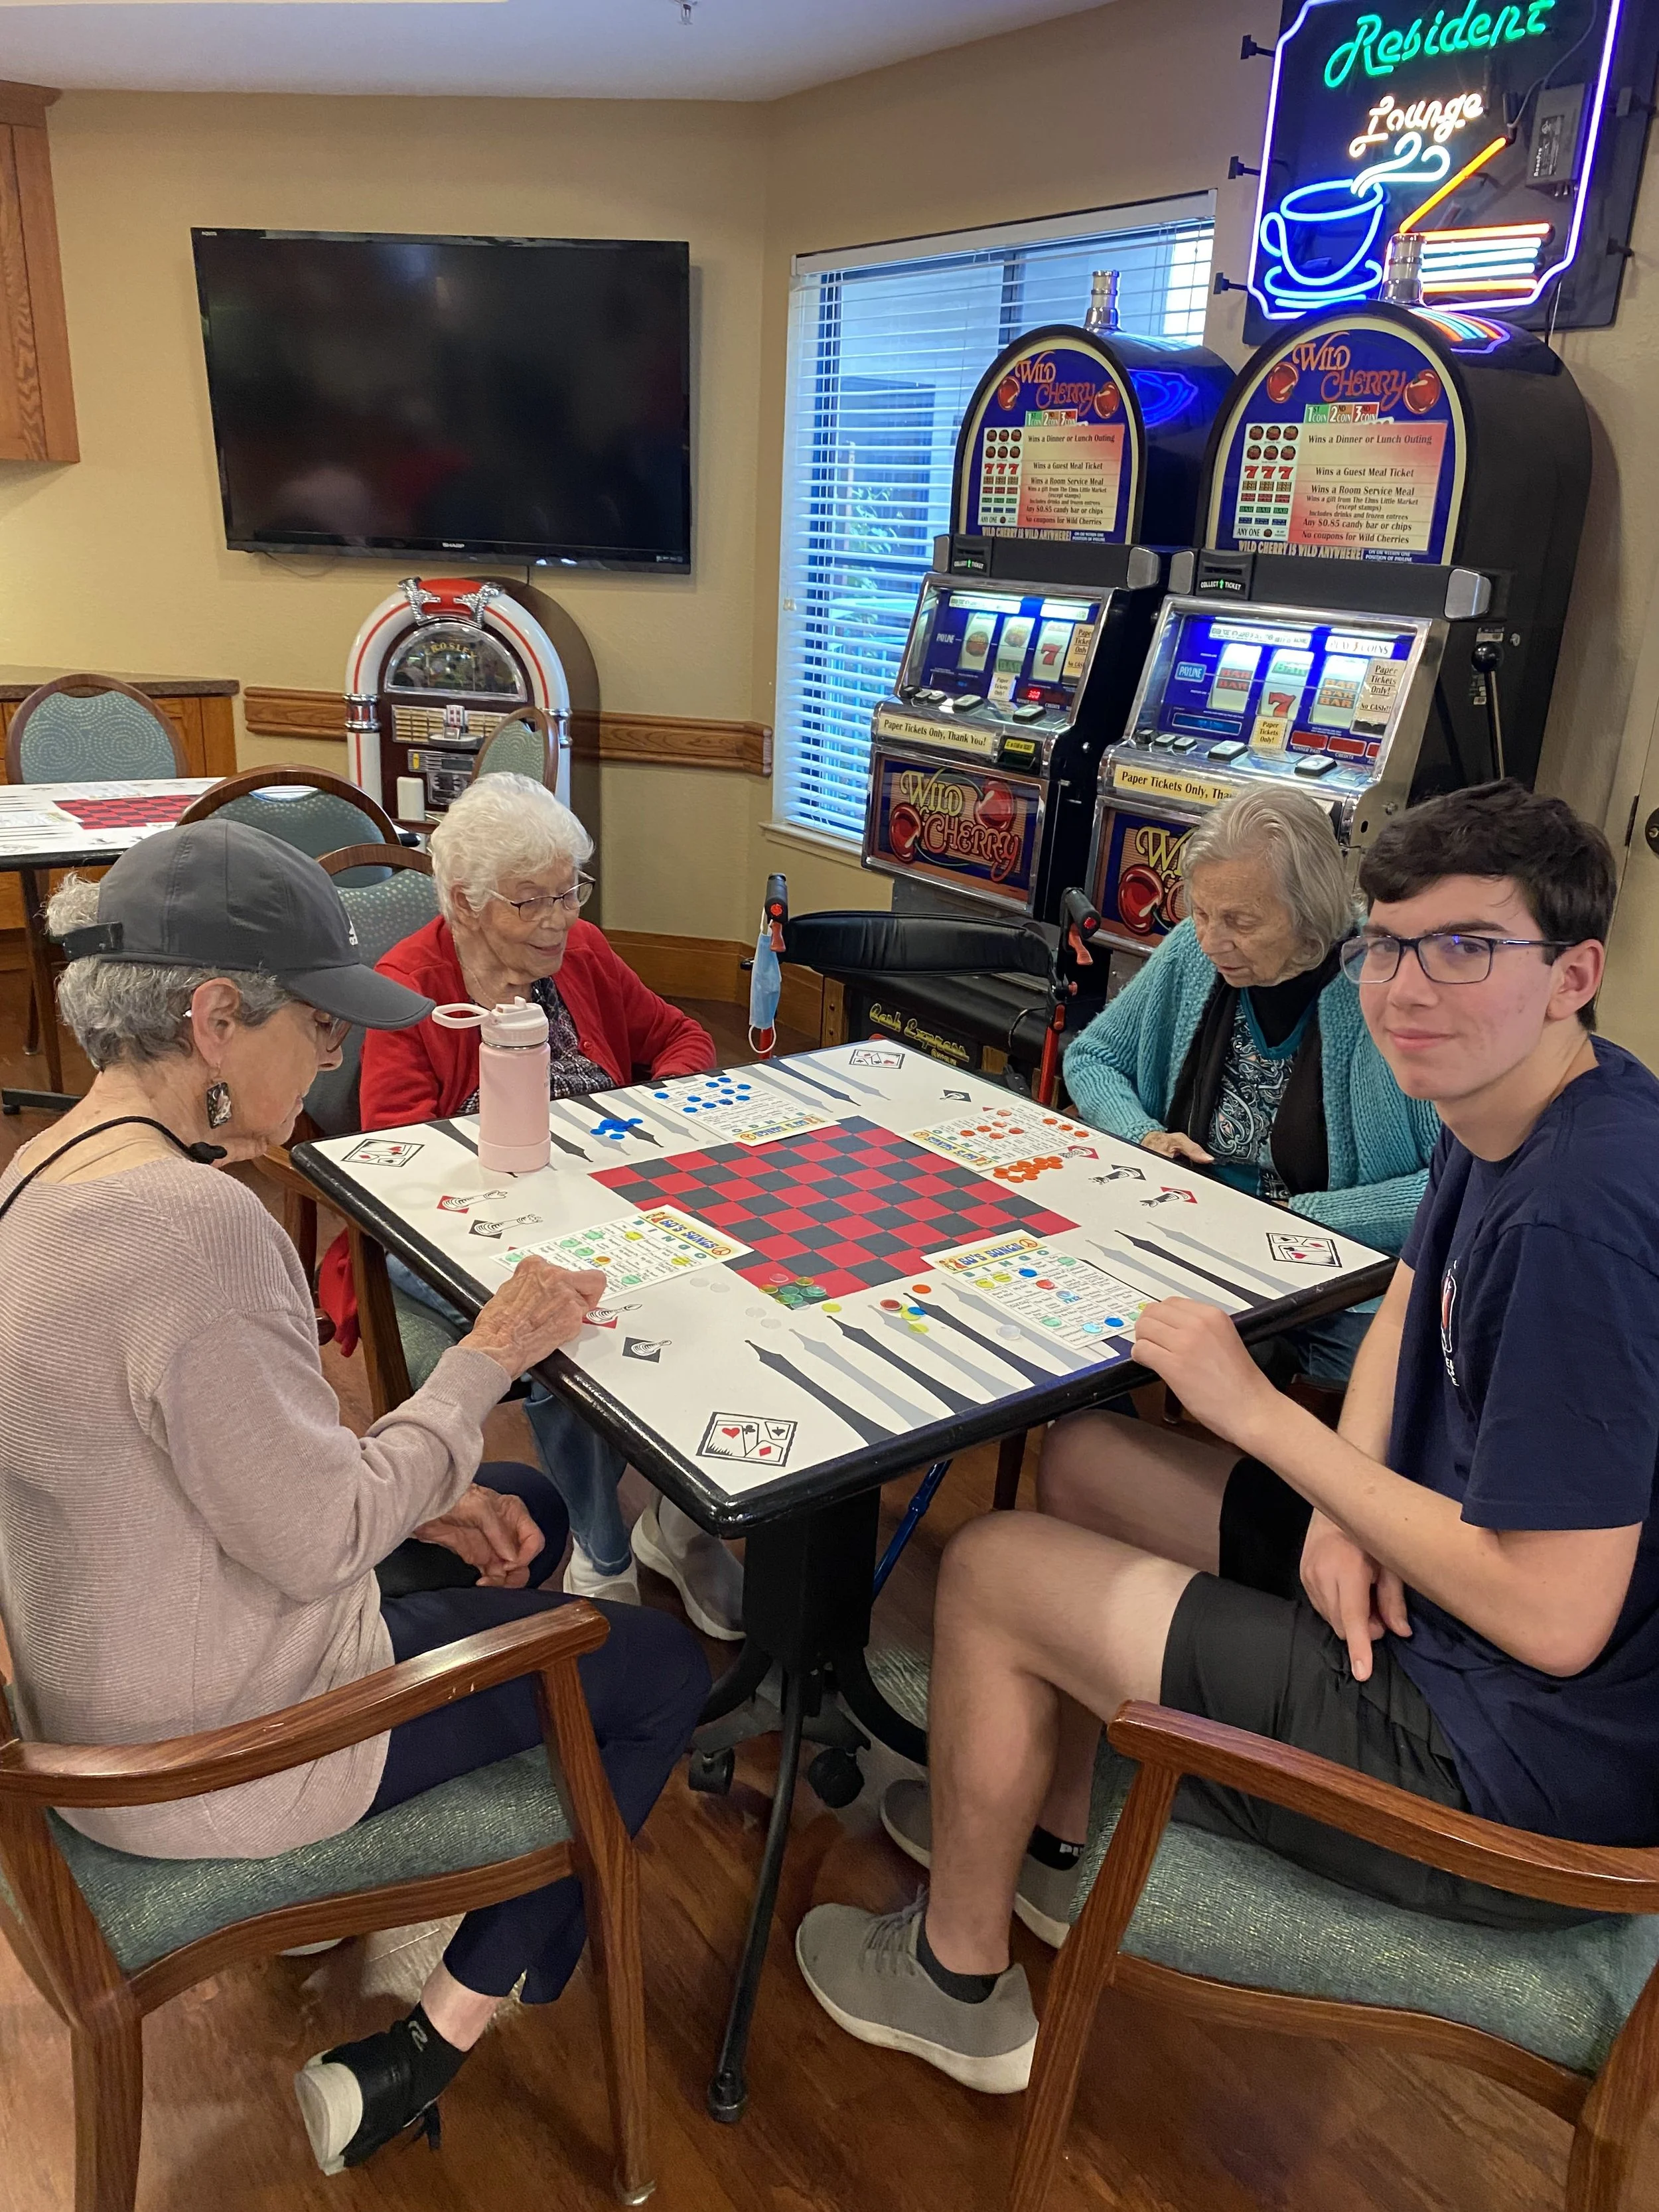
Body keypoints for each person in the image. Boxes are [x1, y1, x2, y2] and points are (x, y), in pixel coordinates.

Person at [795, 780, 1659, 2094]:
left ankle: (952, 1976)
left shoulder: (1575, 1225)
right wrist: (1341, 1501)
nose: (1406, 990)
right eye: (1386, 944)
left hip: (1507, 1765)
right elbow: (1406, 1302)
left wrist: (1254, 1414)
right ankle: (1042, 1830)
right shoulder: (1529, 1107)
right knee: (1083, 1460)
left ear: (1571, 973)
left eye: (1467, 947)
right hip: (1447, 1620)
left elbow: (1552, 1618)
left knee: (989, 1571)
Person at [0, 822, 709, 2171]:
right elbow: (318, 1530)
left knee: (521, 1514)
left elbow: (223, 1468)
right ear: (215, 1019)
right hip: (210, 1756)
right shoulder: (195, 1228)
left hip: (96, 1695)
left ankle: (424, 1910)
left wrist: (421, 1478)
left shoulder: (39, 1174)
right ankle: (427, 2041)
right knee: (659, 1663)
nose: (330, 1058)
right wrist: (492, 1354)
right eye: (318, 1028)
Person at [316, 773, 743, 1637]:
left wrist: (650, 1112)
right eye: (531, 902)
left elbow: (680, 1036)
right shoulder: (412, 987)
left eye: (569, 891)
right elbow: (398, 1168)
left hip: (610, 1197)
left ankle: (682, 1521)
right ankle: (603, 1550)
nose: (558, 918)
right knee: (557, 1321)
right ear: (467, 905)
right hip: (452, 1231)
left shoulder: (578, 952)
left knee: (725, 1286)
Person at [1066, 787, 1439, 1382]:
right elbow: (1092, 1057)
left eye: (1240, 921)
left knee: (1394, 1392)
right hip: (1188, 1228)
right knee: (1070, 1331)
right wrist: (1144, 1137)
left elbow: (1451, 1179)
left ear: (1310, 910)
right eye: (1202, 912)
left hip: (1335, 1271)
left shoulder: (1386, 980)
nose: (1213, 939)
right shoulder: (1195, 950)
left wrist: (1303, 1215)